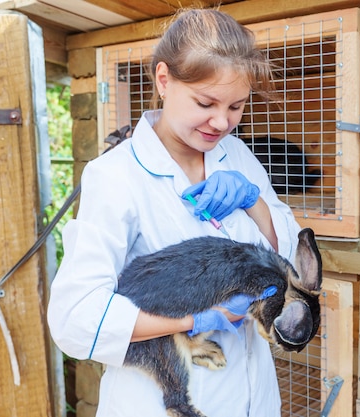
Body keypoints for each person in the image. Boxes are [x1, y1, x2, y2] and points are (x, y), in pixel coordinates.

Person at [47, 7, 302, 417]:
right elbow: (76, 319)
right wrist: (194, 320)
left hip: (255, 397)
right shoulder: (115, 177)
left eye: (236, 107)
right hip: (160, 399)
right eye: (206, 102)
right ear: (163, 80)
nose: (222, 122)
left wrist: (253, 200)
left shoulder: (236, 155)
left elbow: (287, 255)